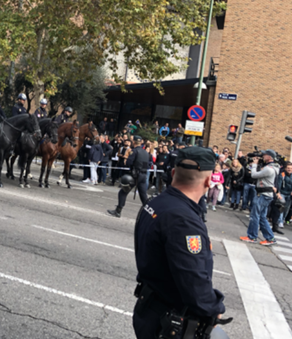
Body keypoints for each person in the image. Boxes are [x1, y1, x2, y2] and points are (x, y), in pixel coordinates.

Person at [133, 146, 226, 339]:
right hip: (169, 321)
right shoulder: (184, 220)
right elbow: (193, 280)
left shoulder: (156, 202)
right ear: (209, 181)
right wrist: (214, 307)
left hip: (149, 306)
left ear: (173, 172)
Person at [240, 149, 280, 245]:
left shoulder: (269, 169)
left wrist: (254, 164)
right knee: (262, 217)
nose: (263, 156)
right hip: (266, 194)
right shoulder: (274, 167)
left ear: (269, 157)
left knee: (254, 215)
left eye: (265, 155)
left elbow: (254, 175)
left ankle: (252, 236)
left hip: (263, 195)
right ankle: (270, 238)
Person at [107, 136, 150, 217]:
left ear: (133, 142)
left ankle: (118, 211)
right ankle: (150, 214)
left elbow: (128, 163)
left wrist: (127, 159)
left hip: (135, 175)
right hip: (143, 176)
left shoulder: (133, 151)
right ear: (141, 142)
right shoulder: (145, 153)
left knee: (123, 192)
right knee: (143, 196)